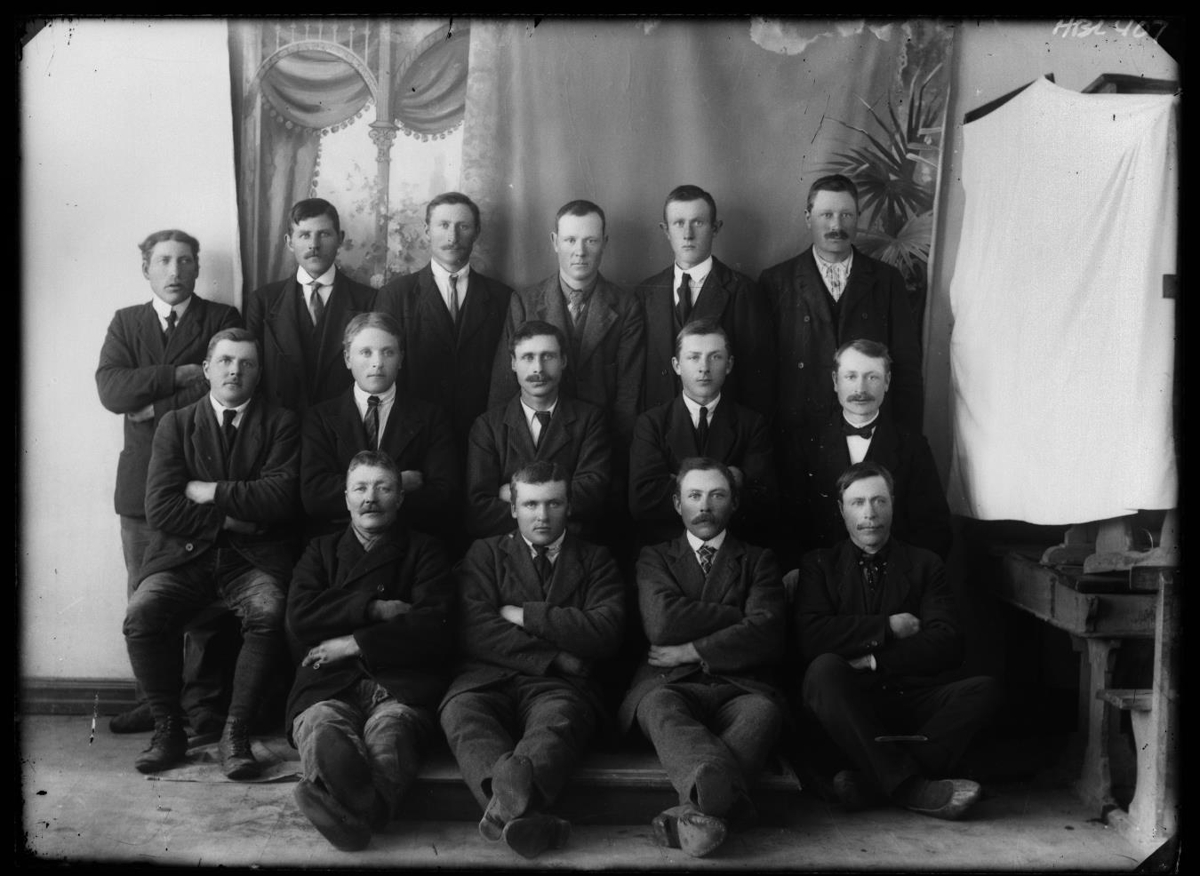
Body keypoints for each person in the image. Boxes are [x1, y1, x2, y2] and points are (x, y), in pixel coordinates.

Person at [123, 328, 300, 779]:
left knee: (269, 612)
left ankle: (235, 733)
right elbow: (160, 507)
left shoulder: (281, 423)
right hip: (185, 557)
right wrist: (230, 519)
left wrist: (211, 491)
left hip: (252, 559)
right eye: (225, 361)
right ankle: (168, 729)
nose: (234, 371)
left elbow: (279, 498)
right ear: (206, 369)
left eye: (246, 363)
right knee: (141, 615)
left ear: (258, 374)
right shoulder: (176, 423)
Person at [96, 229, 242, 737]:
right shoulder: (126, 322)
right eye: (163, 261)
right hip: (141, 486)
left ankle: (202, 705)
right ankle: (154, 702)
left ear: (197, 267)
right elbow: (112, 390)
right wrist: (180, 376)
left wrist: (153, 406)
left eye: (184, 261)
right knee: (145, 595)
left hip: (203, 476)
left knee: (204, 598)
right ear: (146, 269)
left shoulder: (221, 318)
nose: (175, 271)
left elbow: (222, 390)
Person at [793, 462, 1000, 820]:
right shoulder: (819, 565)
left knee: (984, 690)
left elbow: (948, 643)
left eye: (879, 501)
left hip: (907, 699)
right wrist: (887, 627)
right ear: (841, 509)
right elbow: (813, 638)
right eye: (858, 503)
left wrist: (873, 660)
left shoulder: (925, 564)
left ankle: (872, 783)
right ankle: (911, 788)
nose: (869, 513)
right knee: (824, 669)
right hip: (847, 708)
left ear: (892, 504)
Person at [439, 462, 624, 859]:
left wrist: (525, 615)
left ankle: (506, 813)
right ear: (513, 508)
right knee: (461, 713)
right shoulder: (485, 553)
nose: (542, 515)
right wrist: (555, 655)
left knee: (557, 720)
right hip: (487, 678)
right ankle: (527, 816)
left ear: (569, 505)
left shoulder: (595, 559)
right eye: (531, 504)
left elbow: (605, 630)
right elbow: (475, 629)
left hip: (558, 689)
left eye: (554, 503)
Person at [286, 451, 454, 851]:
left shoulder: (425, 551)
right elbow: (300, 616)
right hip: (329, 681)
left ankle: (346, 808)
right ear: (345, 497)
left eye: (383, 488)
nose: (370, 498)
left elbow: (433, 625)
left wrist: (354, 642)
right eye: (360, 488)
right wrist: (375, 609)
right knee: (322, 724)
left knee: (391, 731)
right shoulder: (320, 551)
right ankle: (369, 807)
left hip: (398, 682)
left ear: (400, 497)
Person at [618, 458, 785, 857]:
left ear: (734, 503)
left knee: (764, 713)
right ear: (678, 504)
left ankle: (694, 812)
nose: (705, 506)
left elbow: (767, 632)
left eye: (717, 495)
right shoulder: (655, 556)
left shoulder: (758, 559)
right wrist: (736, 616)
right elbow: (661, 623)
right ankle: (722, 803)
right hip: (669, 682)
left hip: (740, 685)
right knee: (658, 708)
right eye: (694, 495)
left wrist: (692, 649)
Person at [760, 174, 923, 437]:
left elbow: (906, 367)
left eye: (846, 215)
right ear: (808, 218)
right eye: (826, 215)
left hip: (868, 427)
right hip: (797, 431)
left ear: (858, 217)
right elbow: (763, 374)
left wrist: (907, 437)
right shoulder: (776, 281)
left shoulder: (887, 281)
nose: (836, 225)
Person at [488, 200, 644, 451]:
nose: (580, 251)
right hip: (538, 442)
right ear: (555, 242)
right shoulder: (524, 303)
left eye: (590, 240)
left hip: (601, 445)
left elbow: (628, 395)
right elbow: (504, 387)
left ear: (604, 243)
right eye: (570, 240)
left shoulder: (627, 307)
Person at [300, 311, 459, 542]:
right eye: (366, 352)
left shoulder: (430, 417)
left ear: (401, 359)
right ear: (347, 358)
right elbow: (315, 496)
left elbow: (443, 495)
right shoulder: (320, 418)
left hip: (408, 542)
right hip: (338, 542)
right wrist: (397, 483)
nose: (377, 363)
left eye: (388, 352)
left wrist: (358, 495)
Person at [786, 339, 951, 560]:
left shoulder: (913, 447)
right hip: (823, 571)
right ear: (835, 381)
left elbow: (934, 528)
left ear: (887, 381)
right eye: (851, 376)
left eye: (872, 377)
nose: (860, 389)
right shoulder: (806, 443)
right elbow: (790, 523)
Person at [375, 192, 514, 453]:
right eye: (444, 225)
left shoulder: (502, 297)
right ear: (427, 231)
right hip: (415, 436)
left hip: (481, 436)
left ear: (477, 232)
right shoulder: (395, 295)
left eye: (463, 226)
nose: (453, 237)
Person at [629, 319, 776, 546]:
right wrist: (730, 480)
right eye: (694, 357)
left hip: (733, 547)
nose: (704, 368)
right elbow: (643, 501)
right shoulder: (651, 424)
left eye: (715, 357)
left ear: (729, 364)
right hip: (669, 550)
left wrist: (679, 484)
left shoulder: (751, 424)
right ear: (677, 365)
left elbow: (763, 502)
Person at [636, 185, 774, 418]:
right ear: (666, 230)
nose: (687, 234)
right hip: (660, 427)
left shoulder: (743, 291)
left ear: (715, 228)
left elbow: (757, 381)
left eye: (698, 223)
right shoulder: (645, 293)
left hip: (721, 425)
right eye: (678, 223)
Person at [466, 321, 610, 539]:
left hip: (572, 545)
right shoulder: (487, 427)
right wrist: (556, 504)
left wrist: (515, 496)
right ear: (513, 363)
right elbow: (480, 508)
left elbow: (592, 494)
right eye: (528, 357)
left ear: (563, 361)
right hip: (507, 548)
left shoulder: (590, 420)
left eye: (548, 356)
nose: (538, 369)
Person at [244, 198, 376, 416]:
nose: (314, 245)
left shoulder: (368, 301)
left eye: (324, 234)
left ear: (340, 238)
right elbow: (250, 372)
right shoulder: (263, 301)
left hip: (342, 424)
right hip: (281, 426)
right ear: (289, 242)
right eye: (304, 235)